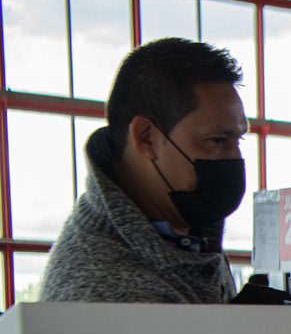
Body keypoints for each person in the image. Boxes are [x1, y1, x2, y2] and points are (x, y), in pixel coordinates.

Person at [40, 38, 248, 303]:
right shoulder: (108, 294)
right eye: (218, 141)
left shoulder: (183, 230)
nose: (235, 158)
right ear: (147, 138)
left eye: (237, 141)